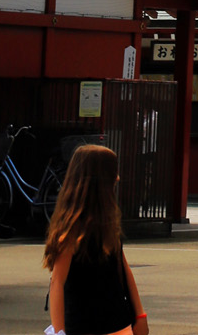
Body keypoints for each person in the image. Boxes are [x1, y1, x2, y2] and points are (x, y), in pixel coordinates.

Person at [44, 143, 147, 335]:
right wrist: (58, 332)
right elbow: (57, 281)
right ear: (99, 179)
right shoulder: (73, 228)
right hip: (82, 323)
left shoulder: (108, 221)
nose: (117, 178)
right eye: (113, 172)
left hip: (118, 320)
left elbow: (123, 269)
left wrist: (139, 314)